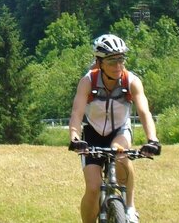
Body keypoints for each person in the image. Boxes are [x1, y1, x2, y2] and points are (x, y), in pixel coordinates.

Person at [68, 34, 161, 223]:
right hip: (92, 135)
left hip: (120, 131)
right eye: (112, 61)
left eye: (121, 59)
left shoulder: (131, 81)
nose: (118, 66)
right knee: (93, 188)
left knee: (121, 155)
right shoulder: (88, 81)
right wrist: (75, 138)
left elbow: (144, 112)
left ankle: (129, 207)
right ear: (99, 62)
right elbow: (77, 114)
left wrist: (153, 139)